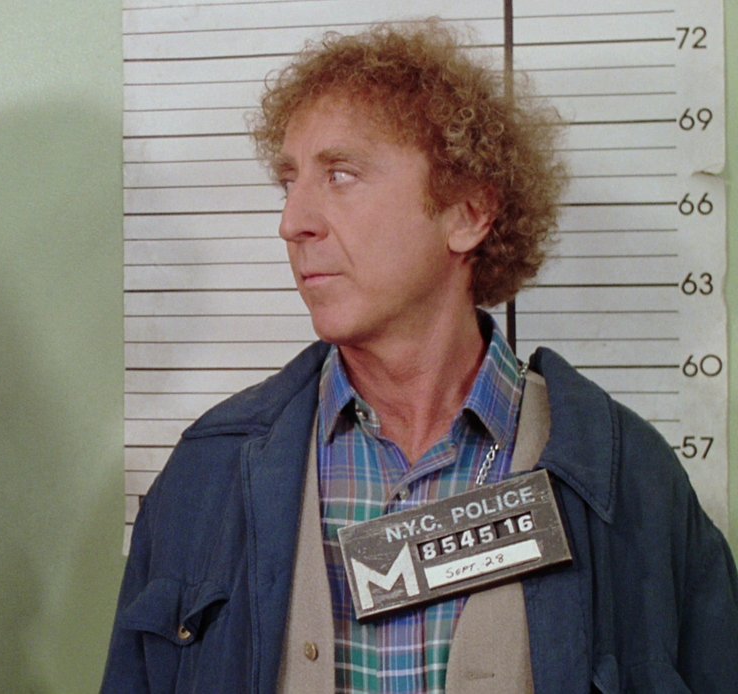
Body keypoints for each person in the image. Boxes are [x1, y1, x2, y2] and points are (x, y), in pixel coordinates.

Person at [103, 22, 738, 693]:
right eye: (289, 181)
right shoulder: (206, 477)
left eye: (340, 175)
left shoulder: (630, 484)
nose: (292, 222)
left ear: (468, 212)